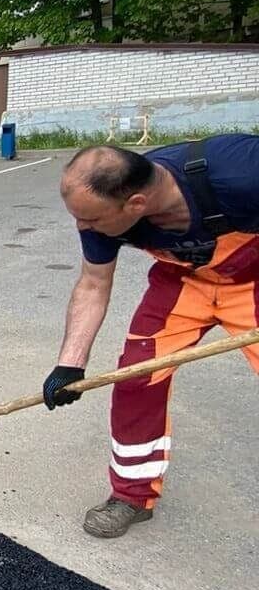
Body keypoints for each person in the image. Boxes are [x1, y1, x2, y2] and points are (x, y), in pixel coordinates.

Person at [44, 136, 259, 537]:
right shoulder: (101, 208)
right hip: (182, 282)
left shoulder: (242, 169)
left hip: (253, 280)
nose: (82, 227)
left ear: (136, 205)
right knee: (136, 380)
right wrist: (69, 365)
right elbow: (93, 284)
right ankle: (131, 496)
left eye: (90, 220)